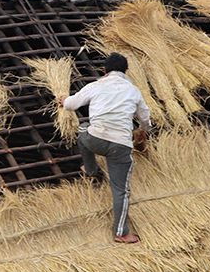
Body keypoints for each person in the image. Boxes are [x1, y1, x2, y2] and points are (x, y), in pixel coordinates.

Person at [59, 53, 152, 243]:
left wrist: (63, 101)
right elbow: (145, 117)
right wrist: (143, 130)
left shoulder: (96, 85)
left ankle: (91, 168)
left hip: (96, 140)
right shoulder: (133, 90)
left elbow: (71, 104)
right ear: (126, 71)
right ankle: (121, 233)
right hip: (121, 146)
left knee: (83, 129)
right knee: (121, 191)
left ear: (104, 70)